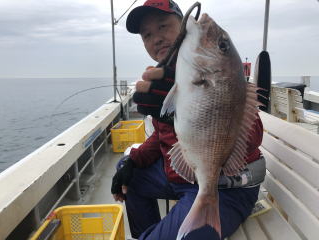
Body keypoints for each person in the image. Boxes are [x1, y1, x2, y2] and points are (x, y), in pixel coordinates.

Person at [111, 1, 266, 239]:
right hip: (183, 177)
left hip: (226, 187)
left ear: (183, 25)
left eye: (163, 26)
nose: (156, 38)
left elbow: (251, 134)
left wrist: (180, 110)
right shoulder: (166, 75)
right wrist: (135, 159)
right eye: (147, 35)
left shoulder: (222, 75)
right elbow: (164, 135)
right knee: (128, 172)